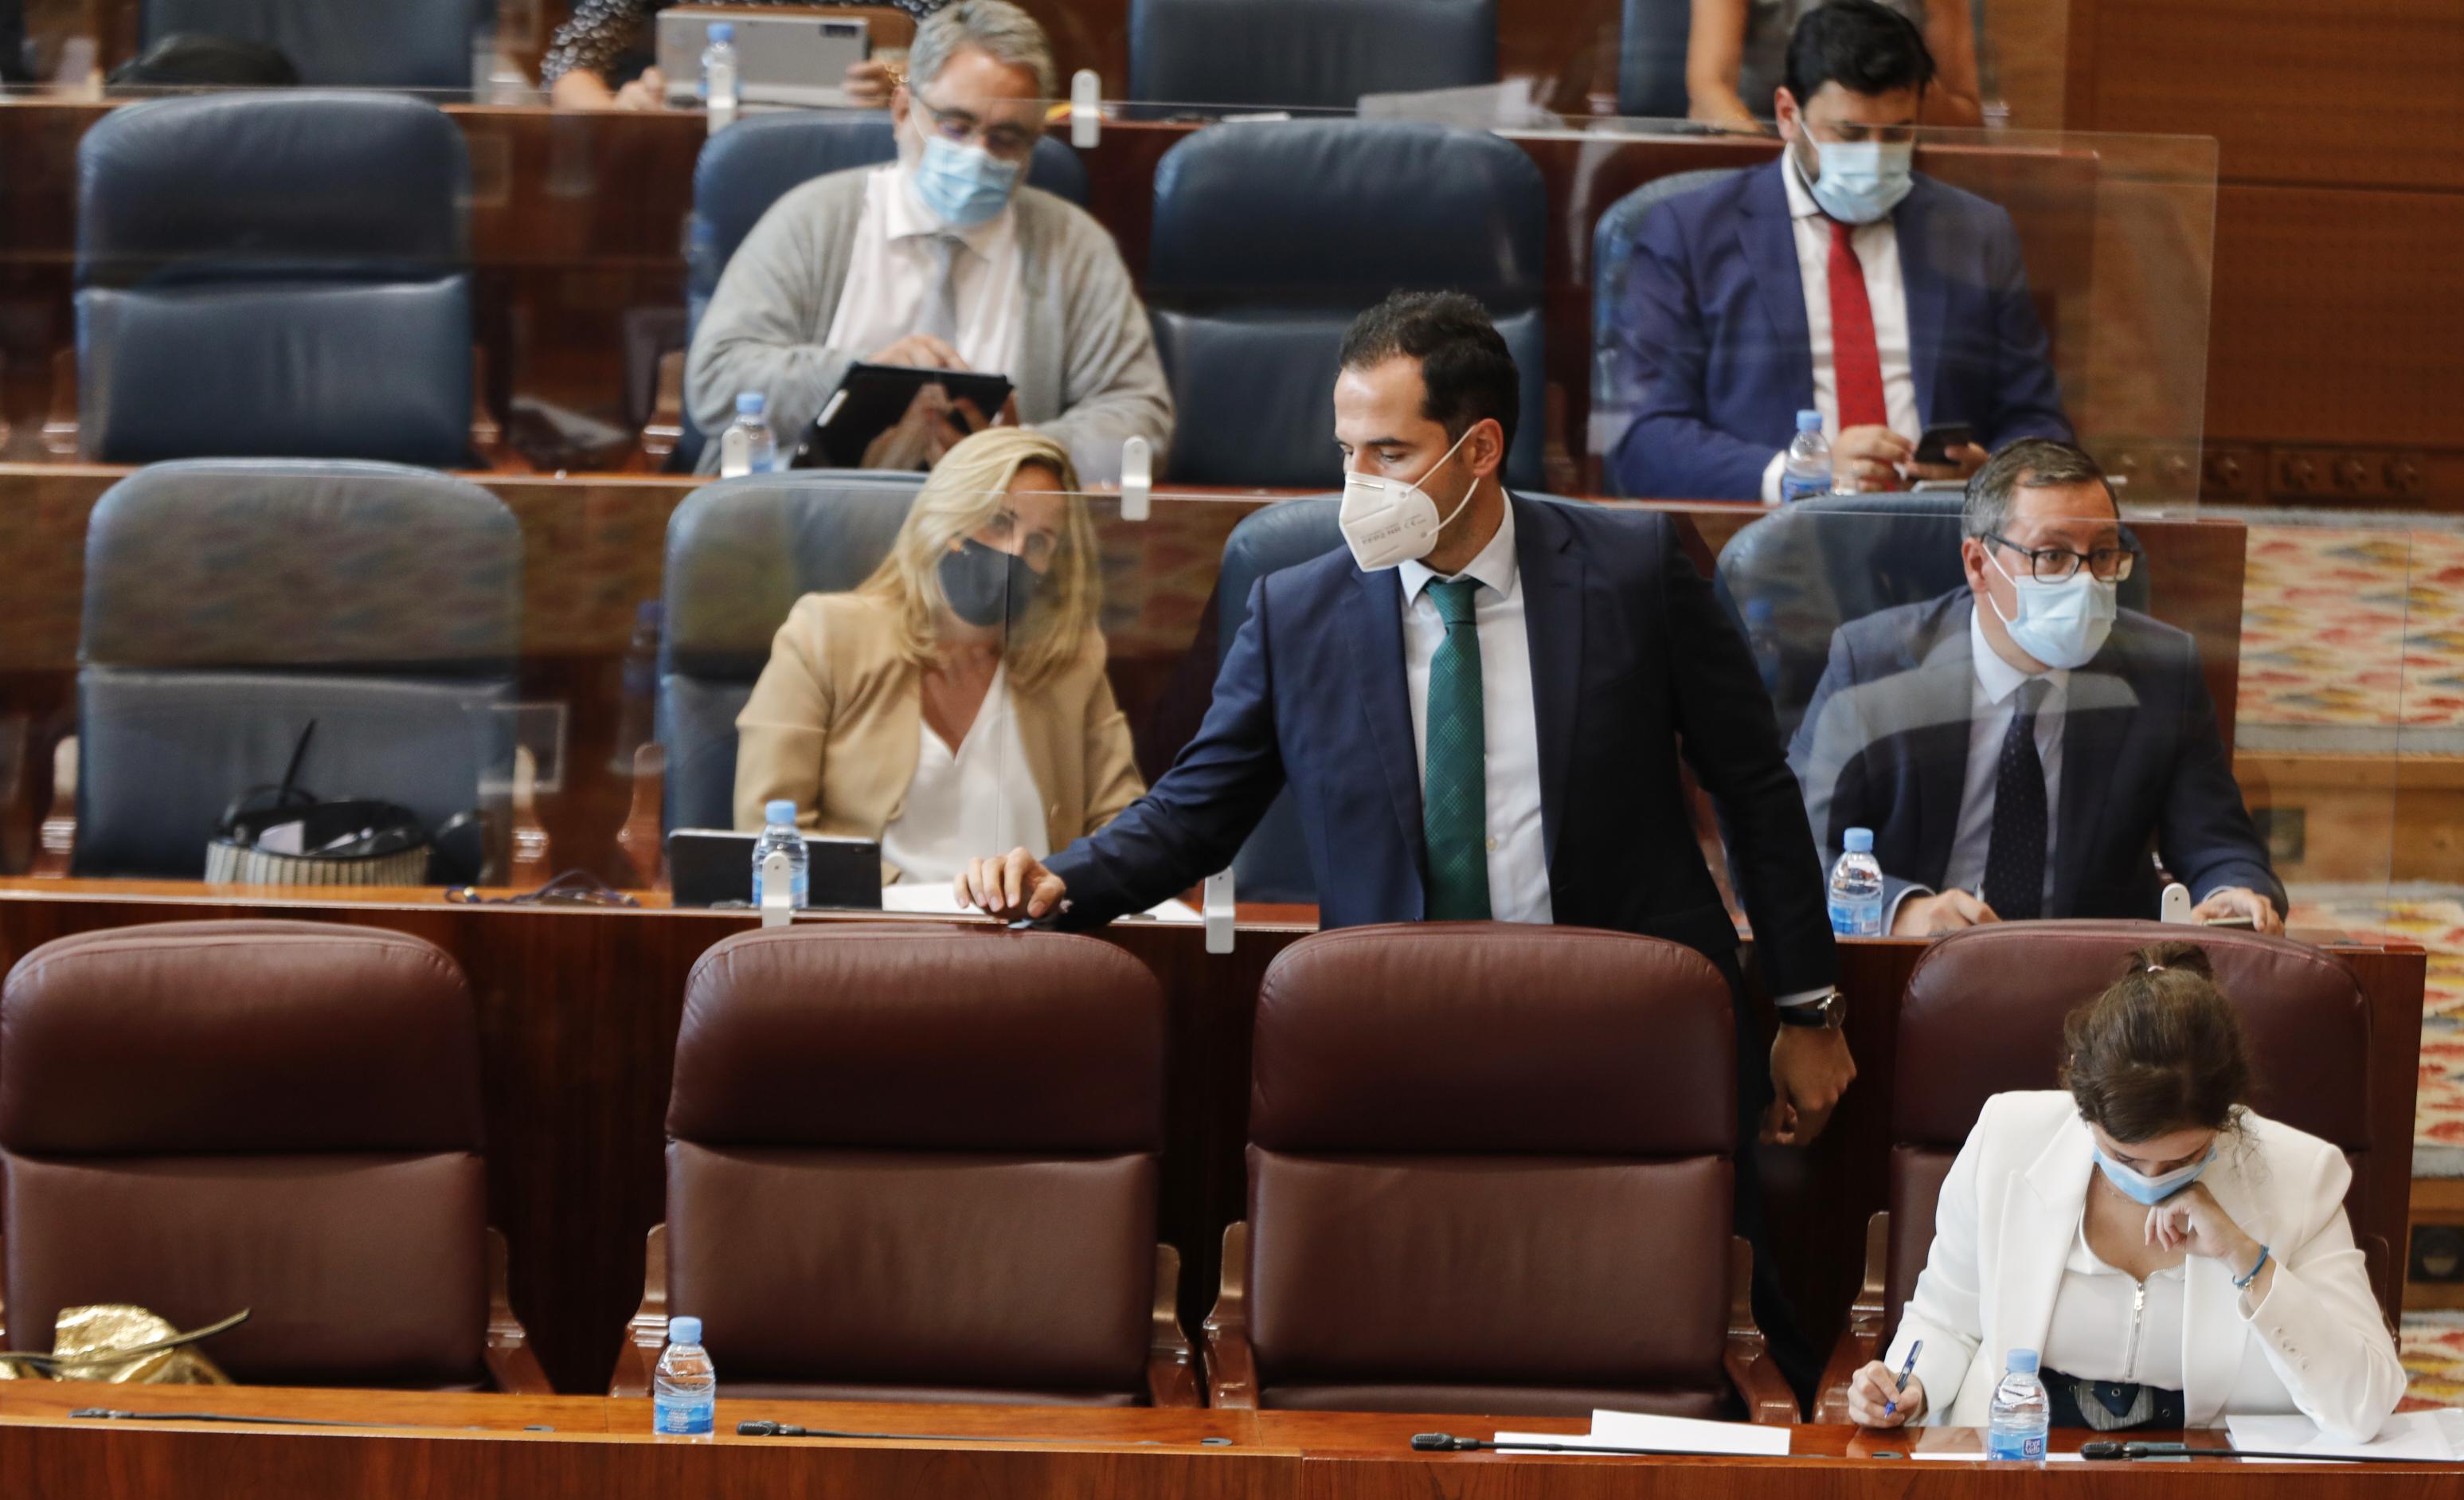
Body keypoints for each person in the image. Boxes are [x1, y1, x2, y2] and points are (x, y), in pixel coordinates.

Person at [956, 290, 1856, 1388]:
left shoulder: (1630, 569)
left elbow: (1754, 786)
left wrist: (1808, 1008)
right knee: (1429, 1335)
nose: (1359, 485)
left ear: (1479, 448)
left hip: (1625, 1023)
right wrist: (1060, 877)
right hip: (1406, 1027)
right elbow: (1196, 809)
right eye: (1347, 451)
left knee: (1693, 1340)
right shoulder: (1300, 608)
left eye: (1390, 451)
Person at [1849, 943, 2407, 1443]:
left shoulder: (2299, 1176)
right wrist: (1909, 1385)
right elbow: (1947, 1321)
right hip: (2017, 1466)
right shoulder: (2006, 1139)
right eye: (2123, 1157)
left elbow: (2365, 1404)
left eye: (2184, 1159)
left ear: (2227, 1119)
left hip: (2209, 1493)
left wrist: (2248, 1259)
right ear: (2079, 1097)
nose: (2149, 1179)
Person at [1788, 439, 2284, 936]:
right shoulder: (1873, 663)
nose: (2085, 581)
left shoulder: (2162, 671)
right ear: (1979, 565)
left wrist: (2230, 893)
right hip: (1915, 970)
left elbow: (2219, 844)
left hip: (2093, 984)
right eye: (2052, 555)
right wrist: (1897, 911)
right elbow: (1790, 851)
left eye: (2104, 554)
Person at [683, 0, 1172, 486]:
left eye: (1006, 138)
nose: (977, 153)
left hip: (996, 530)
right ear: (902, 112)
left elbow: (1138, 419)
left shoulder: (1072, 245)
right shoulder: (810, 220)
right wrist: (858, 379)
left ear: (1033, 144)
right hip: (809, 520)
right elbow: (716, 380)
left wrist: (1019, 456)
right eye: (955, 125)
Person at [1613, 0, 2068, 503]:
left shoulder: (1977, 234)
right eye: (1849, 134)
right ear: (1789, 115)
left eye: (1896, 133)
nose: (1874, 154)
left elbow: (2038, 421)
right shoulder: (1691, 233)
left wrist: (1993, 480)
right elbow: (1644, 441)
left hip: (1942, 538)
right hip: (1769, 545)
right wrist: (1799, 473)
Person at [731, 426, 1144, 883]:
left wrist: (1057, 887)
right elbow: (765, 833)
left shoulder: (1070, 659)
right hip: (871, 932)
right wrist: (904, 899)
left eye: (1040, 542)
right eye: (1001, 522)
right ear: (945, 518)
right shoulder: (827, 636)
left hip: (1030, 937)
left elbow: (1122, 829)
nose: (1016, 551)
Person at [545, 0, 942, 110]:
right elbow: (570, 65)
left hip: (857, 156)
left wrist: (904, 75)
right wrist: (617, 114)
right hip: (694, 154)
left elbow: (965, 48)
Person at [1682, 0, 1981, 133]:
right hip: (1764, 141)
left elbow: (1965, 116)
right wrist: (1771, 176)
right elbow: (1710, 90)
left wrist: (1913, 88)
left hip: (1891, 156)